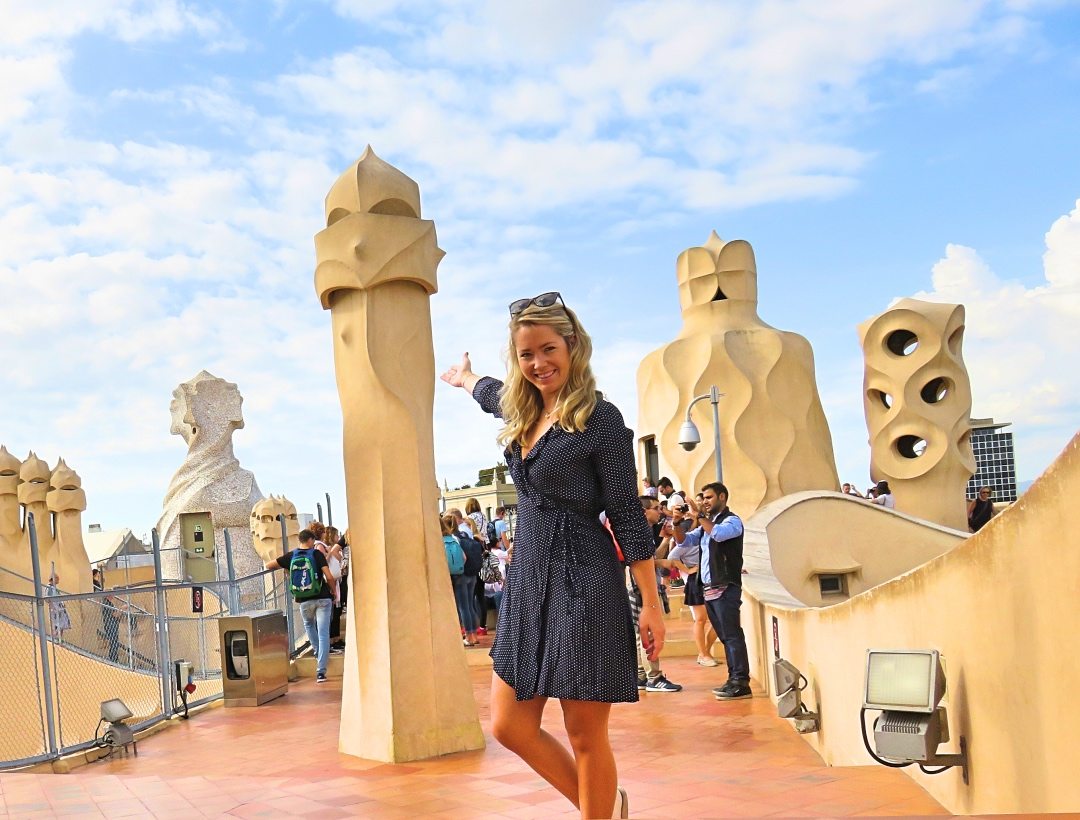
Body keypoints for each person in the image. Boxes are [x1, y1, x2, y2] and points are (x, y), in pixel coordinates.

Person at [441, 291, 663, 820]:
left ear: (572, 345)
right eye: (526, 354)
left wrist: (651, 601)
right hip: (528, 583)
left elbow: (628, 516)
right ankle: (606, 807)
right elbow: (492, 393)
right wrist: (465, 379)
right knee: (509, 725)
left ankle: (598, 811)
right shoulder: (521, 406)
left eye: (548, 349)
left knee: (586, 735)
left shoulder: (599, 418)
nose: (539, 363)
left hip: (584, 579)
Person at [681, 482, 752, 699]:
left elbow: (720, 535)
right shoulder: (705, 525)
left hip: (726, 587)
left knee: (732, 635)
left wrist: (701, 516)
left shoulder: (732, 521)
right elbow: (684, 541)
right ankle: (733, 679)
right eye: (703, 498)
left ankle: (741, 681)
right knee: (725, 636)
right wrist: (676, 523)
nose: (705, 502)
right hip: (709, 589)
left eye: (709, 497)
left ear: (722, 497)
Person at [264, 529, 338, 684]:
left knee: (309, 625)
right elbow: (329, 576)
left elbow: (269, 566)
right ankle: (321, 671)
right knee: (323, 633)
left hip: (303, 599)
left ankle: (318, 653)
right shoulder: (316, 554)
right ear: (311, 540)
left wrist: (288, 570)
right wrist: (333, 592)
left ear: (300, 540)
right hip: (323, 598)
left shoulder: (291, 556)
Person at [627, 497, 682, 693]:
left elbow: (652, 557)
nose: (660, 511)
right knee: (647, 632)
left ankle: (641, 674)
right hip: (639, 586)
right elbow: (642, 562)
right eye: (656, 508)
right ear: (644, 512)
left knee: (639, 632)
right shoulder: (637, 532)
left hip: (639, 585)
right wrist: (664, 564)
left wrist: (666, 539)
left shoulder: (643, 532)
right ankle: (654, 676)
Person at [666, 506, 719, 667]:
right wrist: (688, 570)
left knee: (717, 620)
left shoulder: (711, 536)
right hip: (695, 581)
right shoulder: (689, 540)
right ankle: (703, 653)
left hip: (711, 578)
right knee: (701, 619)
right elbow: (672, 558)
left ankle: (705, 651)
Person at [442, 514, 479, 645]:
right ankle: (474, 634)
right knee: (470, 605)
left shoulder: (447, 539)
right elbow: (464, 557)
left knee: (463, 607)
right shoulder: (463, 535)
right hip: (471, 574)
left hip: (460, 576)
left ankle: (468, 636)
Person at [44, 572, 71, 642]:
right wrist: (52, 606)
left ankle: (59, 639)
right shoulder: (49, 587)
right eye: (57, 578)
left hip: (60, 609)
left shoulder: (55, 588)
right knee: (56, 625)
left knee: (61, 624)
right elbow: (47, 598)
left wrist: (62, 604)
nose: (58, 580)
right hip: (55, 610)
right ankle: (55, 638)